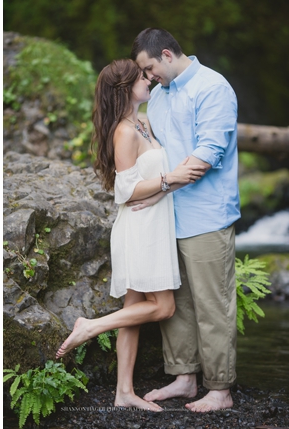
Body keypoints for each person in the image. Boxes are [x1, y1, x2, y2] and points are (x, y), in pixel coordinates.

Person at [54, 58, 206, 411]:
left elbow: (152, 179)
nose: (149, 80)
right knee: (163, 307)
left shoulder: (142, 122)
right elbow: (125, 190)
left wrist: (164, 186)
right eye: (142, 77)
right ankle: (90, 326)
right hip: (140, 228)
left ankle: (124, 392)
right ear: (125, 88)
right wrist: (171, 180)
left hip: (153, 222)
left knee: (135, 308)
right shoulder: (123, 131)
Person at [132, 27, 240, 413]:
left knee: (213, 304)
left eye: (148, 69)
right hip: (167, 217)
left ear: (165, 54)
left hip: (207, 213)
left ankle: (220, 389)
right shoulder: (157, 97)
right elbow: (152, 147)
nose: (148, 78)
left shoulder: (213, 87)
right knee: (175, 301)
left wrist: (162, 186)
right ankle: (184, 377)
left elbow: (209, 152)